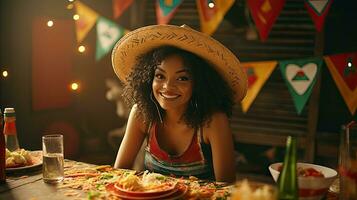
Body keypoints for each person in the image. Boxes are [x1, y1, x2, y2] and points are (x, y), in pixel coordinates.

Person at [111, 24, 247, 183]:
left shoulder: (213, 121)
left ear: (199, 84)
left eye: (182, 78)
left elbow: (226, 188)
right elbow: (119, 174)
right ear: (148, 78)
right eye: (160, 76)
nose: (168, 87)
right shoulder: (141, 114)